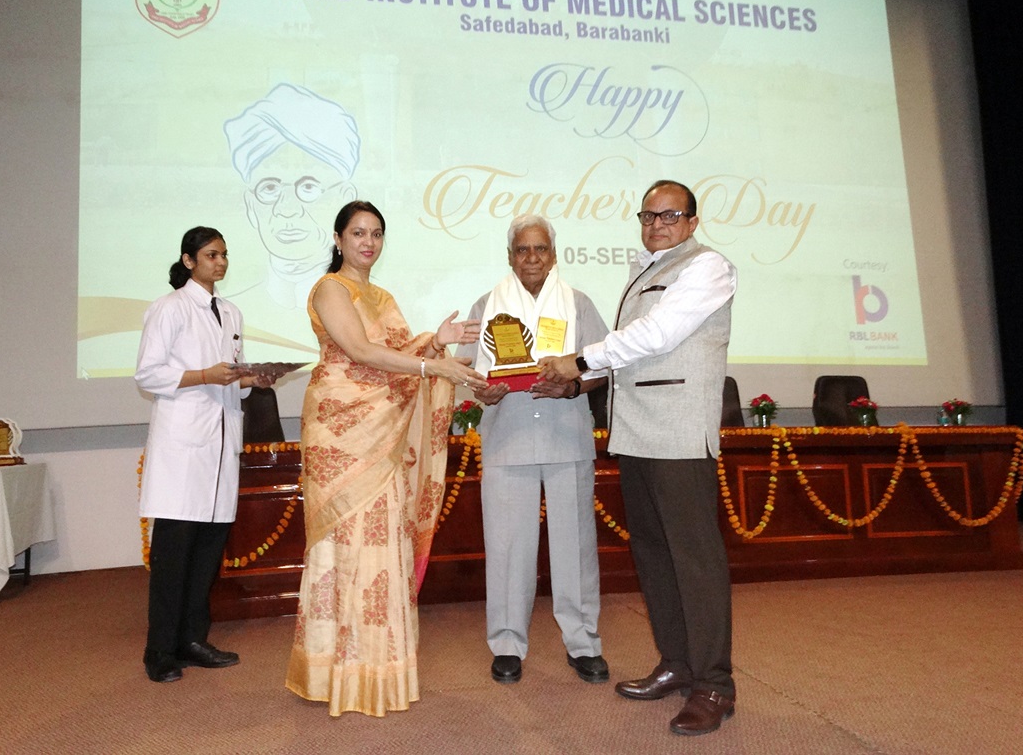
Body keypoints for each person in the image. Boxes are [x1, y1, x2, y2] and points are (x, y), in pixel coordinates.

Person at [539, 180, 739, 737]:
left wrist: (578, 360)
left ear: (692, 221)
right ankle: (677, 663)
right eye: (648, 215)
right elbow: (629, 356)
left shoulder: (708, 266)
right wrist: (576, 384)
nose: (657, 224)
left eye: (670, 215)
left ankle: (714, 685)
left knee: (694, 561)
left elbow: (658, 335)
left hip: (679, 434)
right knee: (654, 555)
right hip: (635, 432)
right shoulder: (644, 269)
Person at [285, 200, 486, 717]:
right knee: (344, 545)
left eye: (376, 233)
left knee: (383, 540)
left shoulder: (384, 297)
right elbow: (360, 351)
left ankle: (375, 668)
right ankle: (333, 671)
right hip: (340, 433)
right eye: (358, 233)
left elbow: (397, 356)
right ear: (338, 239)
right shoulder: (331, 288)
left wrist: (434, 343)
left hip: (383, 435)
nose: (368, 242)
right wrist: (433, 366)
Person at [458, 214, 610, 686]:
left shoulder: (578, 303)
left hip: (568, 436)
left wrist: (572, 386)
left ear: (554, 255)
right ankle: (506, 644)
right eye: (522, 249)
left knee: (576, 548)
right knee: (507, 548)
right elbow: (469, 372)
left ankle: (583, 643)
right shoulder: (486, 305)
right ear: (510, 257)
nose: (531, 258)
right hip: (508, 439)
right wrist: (483, 392)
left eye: (540, 248)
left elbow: (603, 366)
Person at [135, 226, 281, 683]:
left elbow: (229, 378)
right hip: (183, 449)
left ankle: (193, 640)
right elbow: (148, 375)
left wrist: (251, 379)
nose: (220, 262)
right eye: (211, 255)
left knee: (206, 555)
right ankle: (160, 651)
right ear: (189, 260)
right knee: (173, 556)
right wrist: (204, 375)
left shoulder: (231, 311)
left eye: (224, 255)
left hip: (220, 448)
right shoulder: (169, 308)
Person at [223, 83, 360, 361]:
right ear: (250, 206)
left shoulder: (372, 303)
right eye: (269, 188)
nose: (286, 210)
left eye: (308, 187)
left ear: (345, 200)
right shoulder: (232, 312)